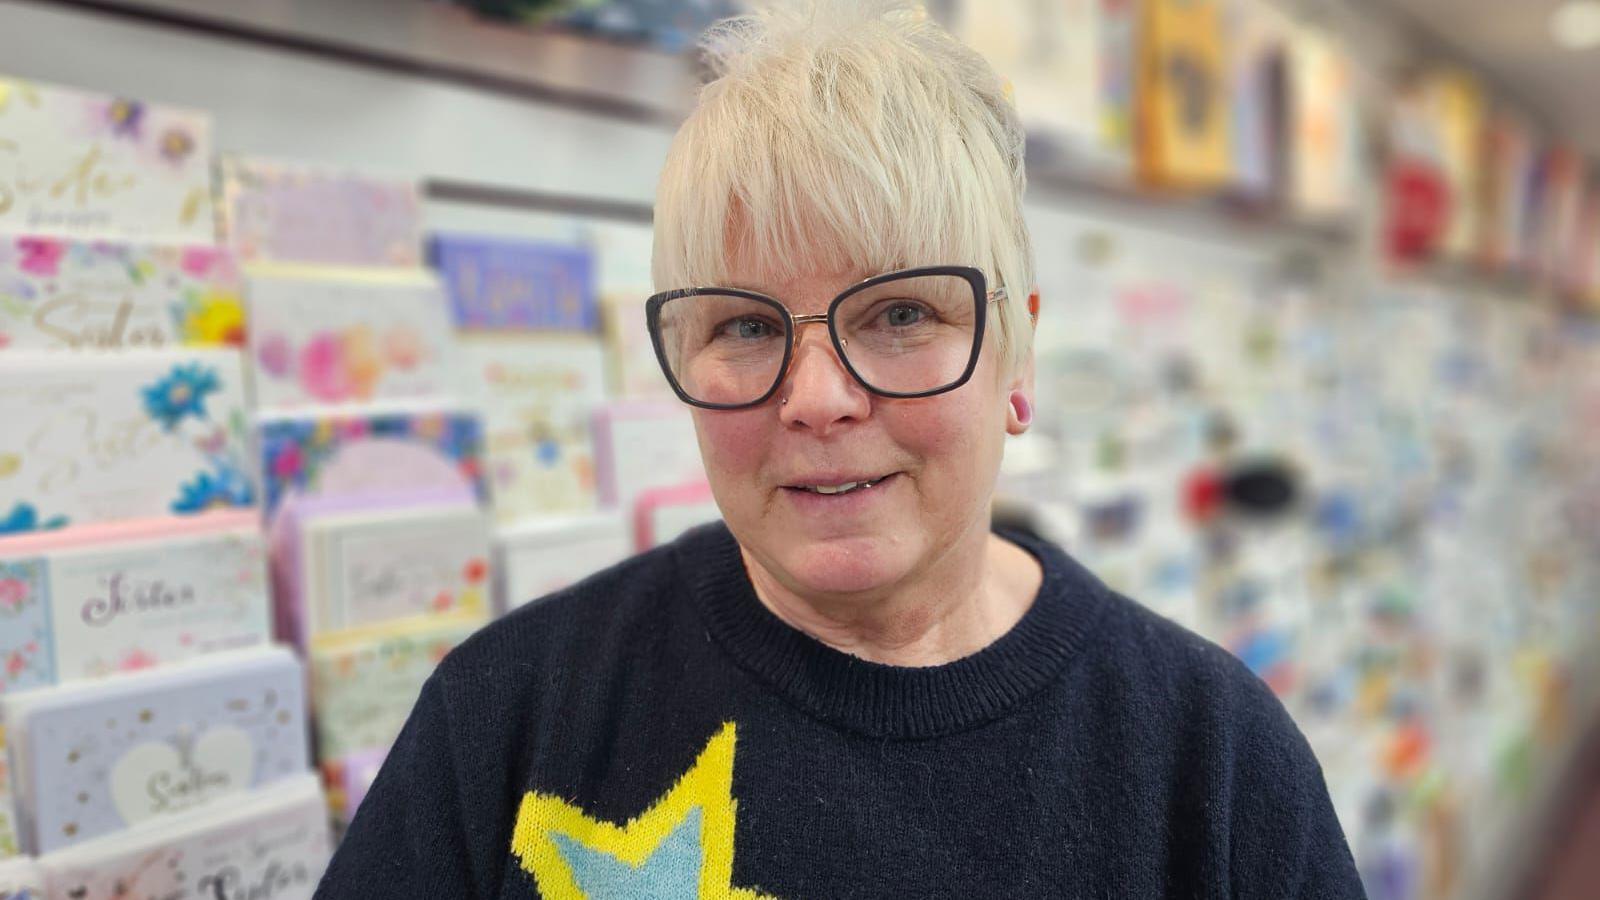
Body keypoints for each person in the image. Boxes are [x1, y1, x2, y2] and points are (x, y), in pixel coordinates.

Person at [315, 1, 1365, 896]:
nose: (817, 400)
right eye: (744, 326)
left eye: (901, 315)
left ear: (1018, 358)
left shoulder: (1210, 756)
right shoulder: (510, 713)